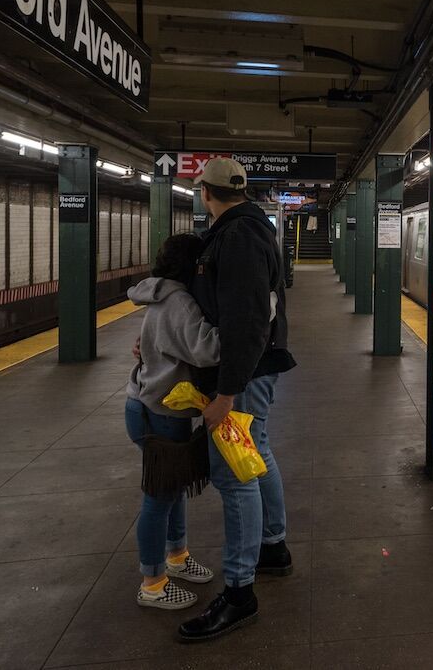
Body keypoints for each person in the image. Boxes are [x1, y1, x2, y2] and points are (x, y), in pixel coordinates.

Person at [177, 158, 297, 643]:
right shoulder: (246, 229)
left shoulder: (239, 237)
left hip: (243, 374)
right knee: (258, 451)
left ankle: (240, 591)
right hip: (253, 370)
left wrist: (226, 393)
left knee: (234, 474)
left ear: (204, 191)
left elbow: (248, 321)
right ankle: (272, 547)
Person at [124, 233, 219, 610]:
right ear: (194, 266)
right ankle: (152, 582)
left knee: (174, 488)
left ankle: (176, 558)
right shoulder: (179, 301)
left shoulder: (162, 295)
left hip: (150, 405)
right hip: (159, 412)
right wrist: (259, 319)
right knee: (159, 497)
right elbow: (208, 349)